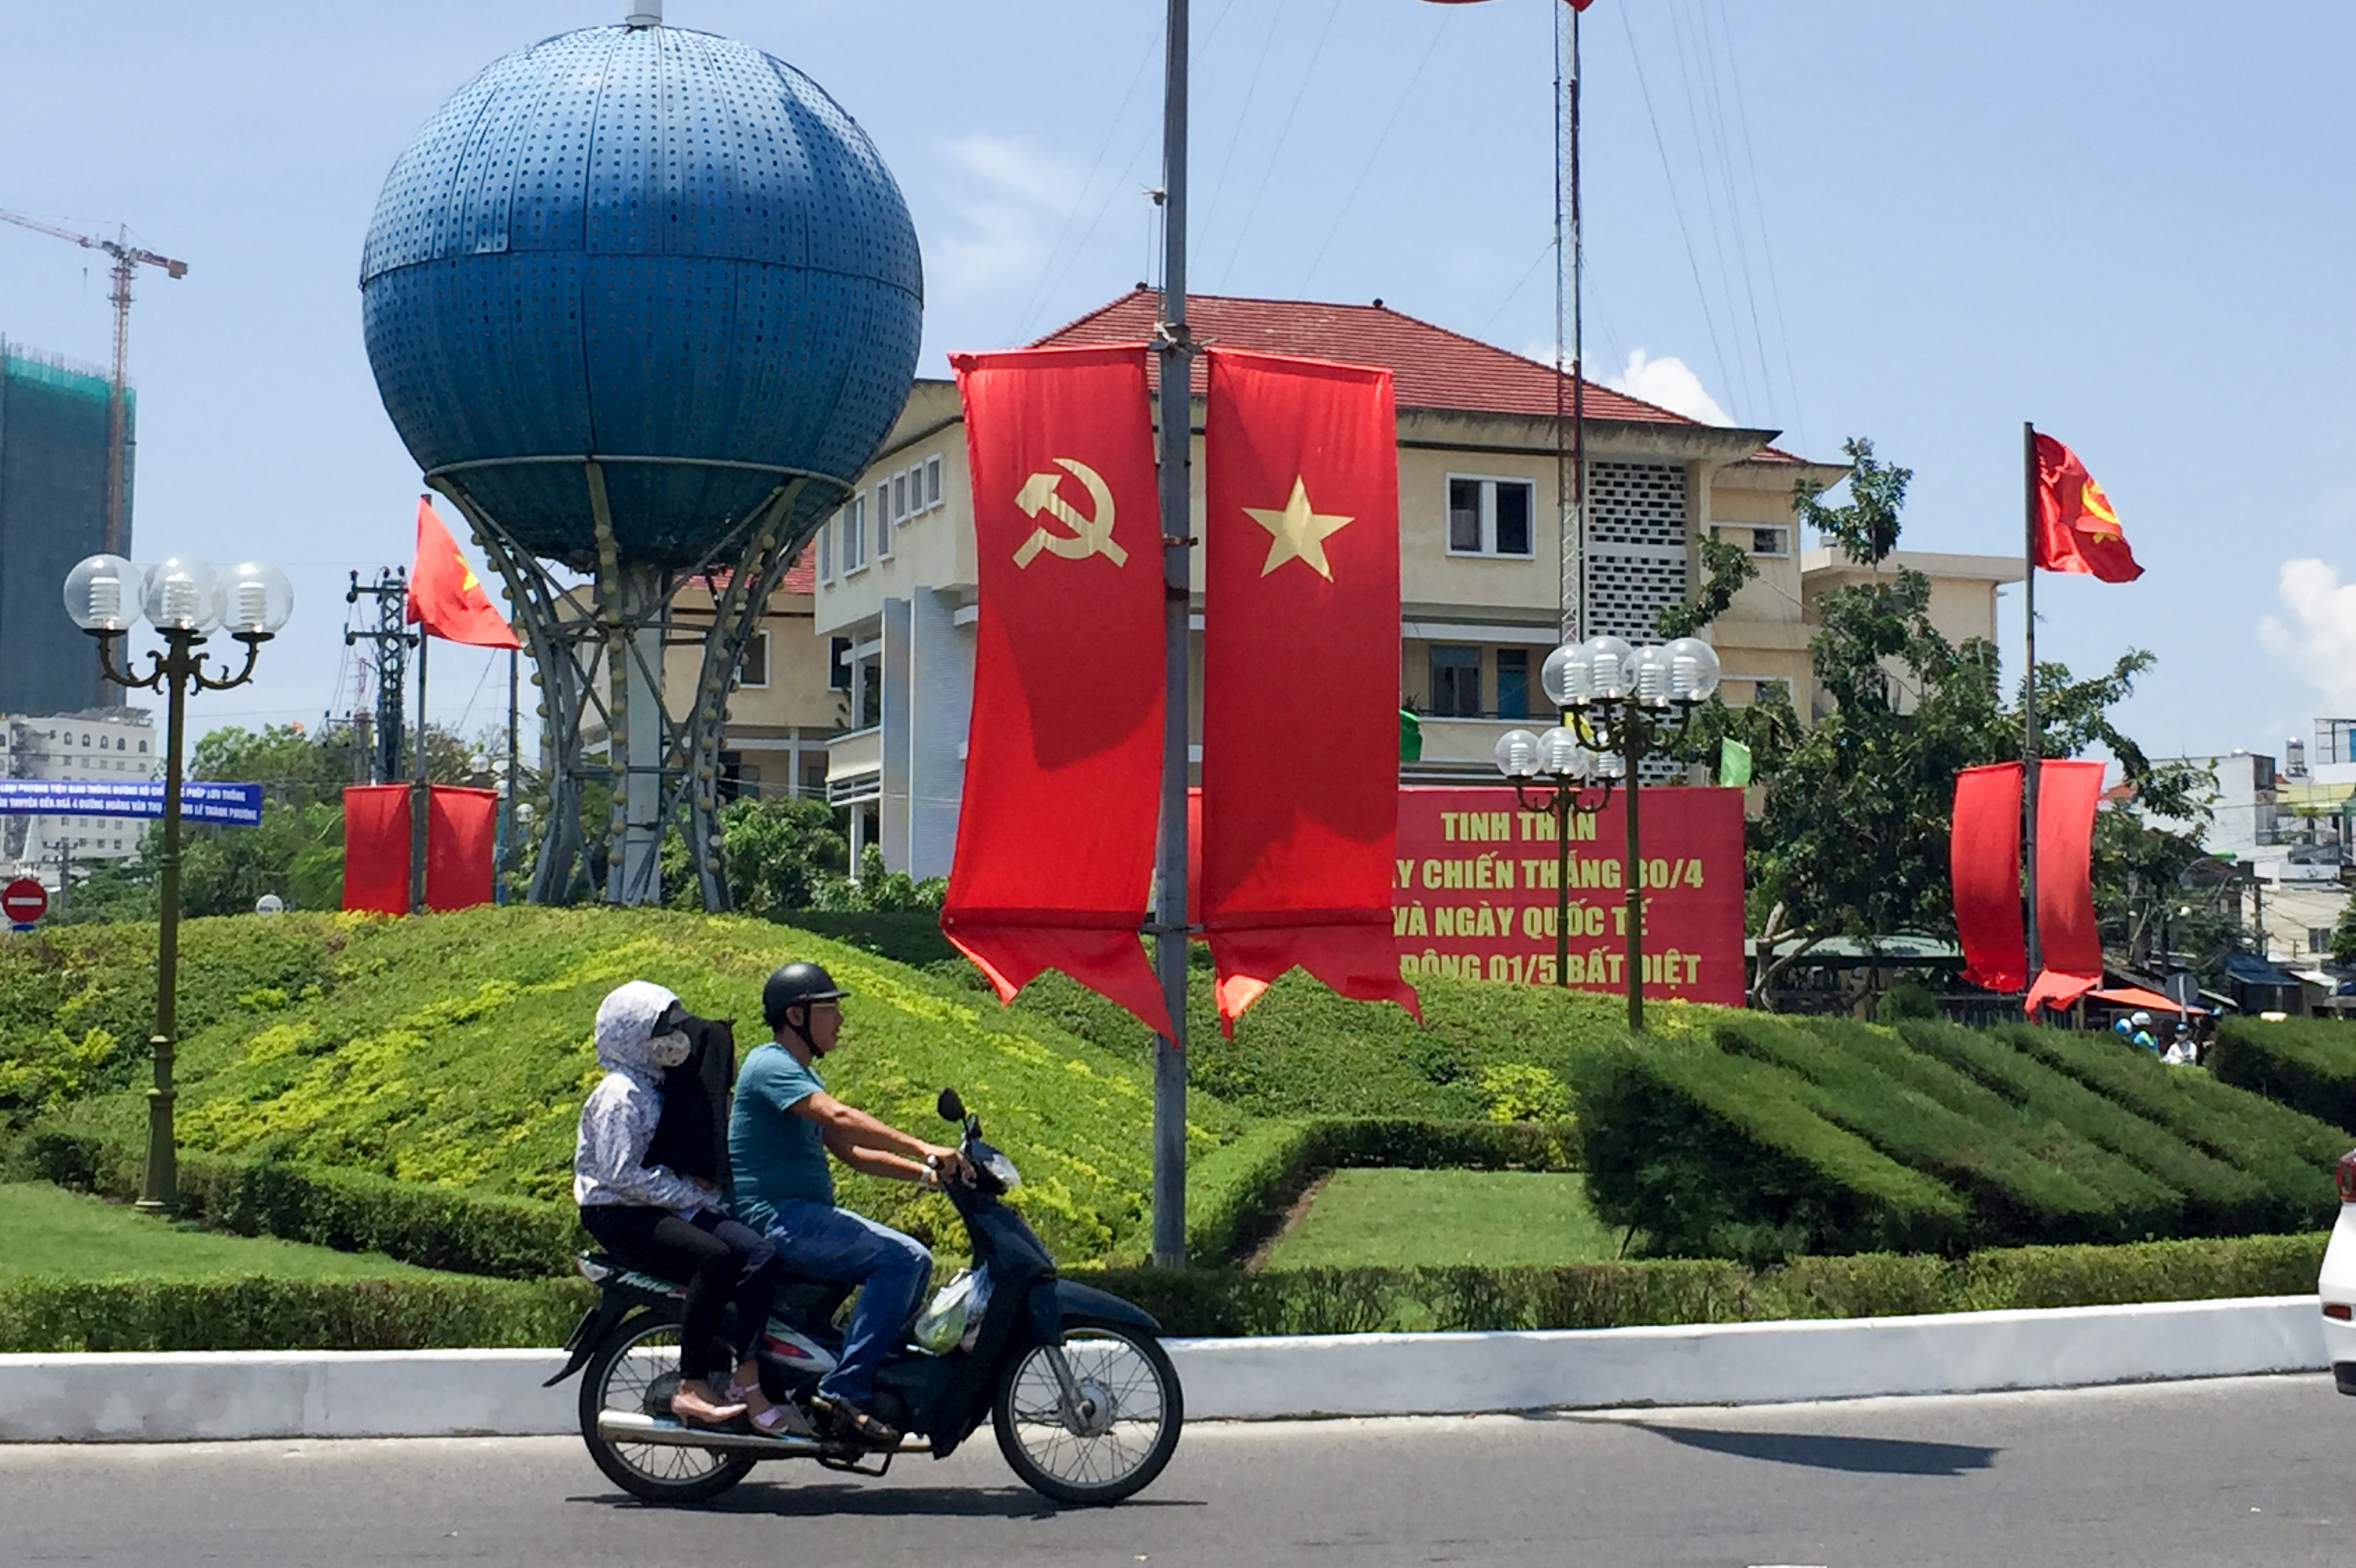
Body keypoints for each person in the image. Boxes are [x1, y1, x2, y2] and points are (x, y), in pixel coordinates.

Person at [729, 960, 967, 1450]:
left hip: (799, 1216)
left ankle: (864, 1371)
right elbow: (837, 1114)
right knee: (904, 1259)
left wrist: (927, 1175)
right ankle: (842, 1392)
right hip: (776, 1218)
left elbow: (852, 1152)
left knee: (911, 1261)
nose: (839, 1021)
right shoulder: (770, 1064)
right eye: (830, 1010)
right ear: (797, 1016)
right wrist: (924, 1146)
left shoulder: (798, 1074)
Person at [575, 981, 788, 1430]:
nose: (675, 1039)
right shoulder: (621, 1094)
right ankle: (691, 1382)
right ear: (630, 1036)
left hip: (661, 1205)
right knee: (714, 1257)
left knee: (759, 1254)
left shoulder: (657, 1087)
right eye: (662, 1030)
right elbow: (621, 1175)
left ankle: (743, 1377)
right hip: (619, 1211)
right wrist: (691, 1196)